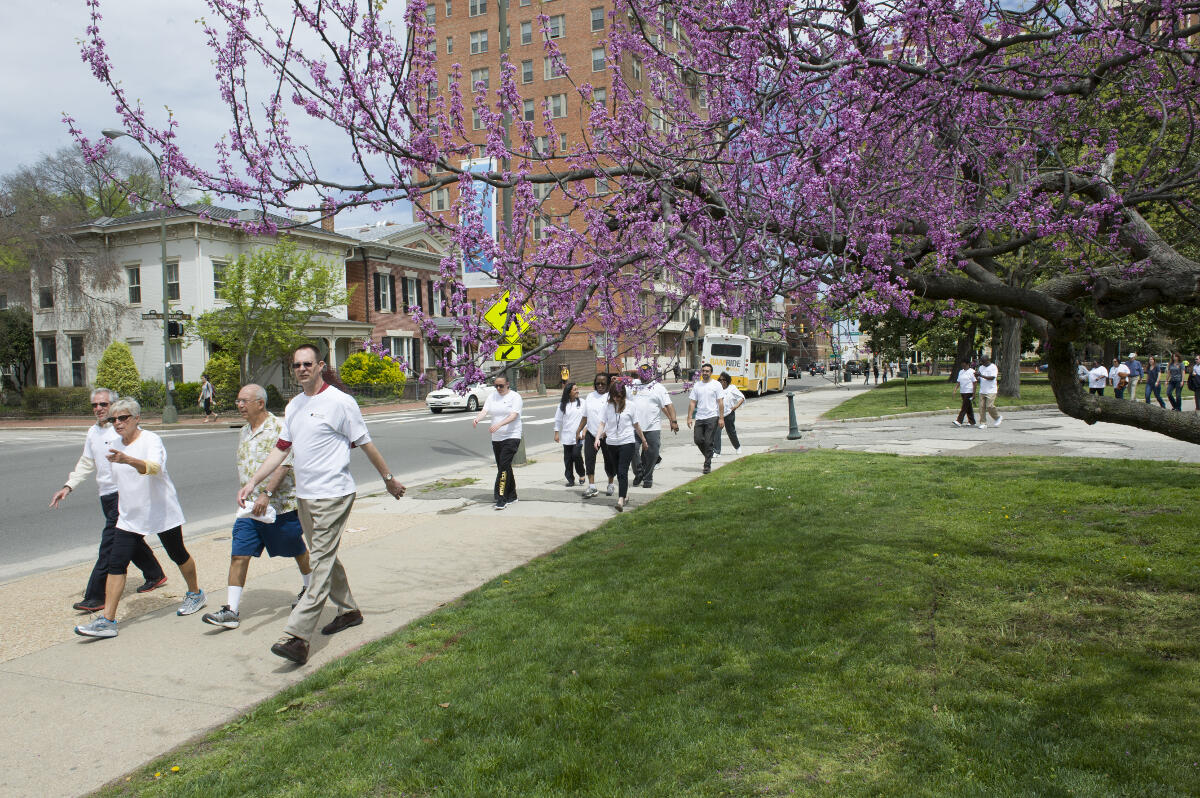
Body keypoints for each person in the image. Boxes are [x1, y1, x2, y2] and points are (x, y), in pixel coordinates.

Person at [237, 344, 406, 665]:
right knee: (325, 557)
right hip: (306, 497)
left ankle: (298, 637)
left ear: (320, 366)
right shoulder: (294, 406)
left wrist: (389, 479)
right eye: (296, 365)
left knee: (320, 564)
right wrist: (253, 482)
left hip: (335, 495)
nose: (302, 369)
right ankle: (349, 610)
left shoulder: (341, 403)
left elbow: (366, 444)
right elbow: (282, 449)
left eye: (308, 364)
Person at [73, 398, 206, 639]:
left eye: (123, 418)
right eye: (113, 419)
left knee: (178, 554)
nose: (117, 423)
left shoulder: (151, 440)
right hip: (129, 515)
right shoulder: (112, 443)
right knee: (116, 563)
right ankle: (108, 621)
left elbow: (155, 468)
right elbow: (109, 477)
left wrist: (129, 460)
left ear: (136, 418)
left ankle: (195, 593)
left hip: (160, 510)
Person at [201, 384, 312, 630]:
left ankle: (310, 586)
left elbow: (286, 463)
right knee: (239, 553)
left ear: (260, 403)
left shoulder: (280, 427)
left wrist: (266, 492)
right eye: (238, 400)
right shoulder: (244, 431)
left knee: (295, 548)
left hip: (279, 506)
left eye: (244, 401)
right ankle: (231, 610)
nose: (239, 405)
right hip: (250, 509)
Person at [50, 388, 167, 612]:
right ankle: (155, 574)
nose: (99, 409)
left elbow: (145, 458)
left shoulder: (122, 431)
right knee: (127, 539)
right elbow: (86, 462)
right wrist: (68, 486)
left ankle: (96, 596)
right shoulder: (93, 432)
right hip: (106, 495)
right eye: (95, 405)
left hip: (123, 494)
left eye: (103, 404)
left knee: (110, 545)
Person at [594, 380, 647, 512]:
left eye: (619, 396)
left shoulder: (630, 406)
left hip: (627, 442)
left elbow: (636, 425)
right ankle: (625, 494)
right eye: (614, 396)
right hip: (611, 443)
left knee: (622, 471)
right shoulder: (607, 407)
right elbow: (602, 423)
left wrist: (643, 440)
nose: (616, 398)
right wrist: (597, 438)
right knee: (618, 471)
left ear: (623, 394)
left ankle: (620, 500)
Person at [475, 375, 523, 509]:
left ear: (507, 384)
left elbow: (513, 416)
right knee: (504, 466)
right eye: (496, 385)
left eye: (501, 385)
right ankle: (512, 495)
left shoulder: (515, 397)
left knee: (503, 465)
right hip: (496, 438)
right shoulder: (492, 396)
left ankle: (501, 498)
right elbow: (485, 410)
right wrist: (477, 418)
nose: (498, 388)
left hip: (512, 436)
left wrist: (500, 424)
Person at [630, 366, 678, 489]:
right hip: (634, 427)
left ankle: (648, 477)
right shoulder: (633, 385)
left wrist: (673, 421)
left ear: (651, 374)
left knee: (652, 453)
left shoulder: (658, 388)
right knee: (632, 450)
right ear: (639, 374)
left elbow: (669, 405)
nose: (644, 375)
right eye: (642, 373)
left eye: (647, 373)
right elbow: (618, 388)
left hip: (652, 427)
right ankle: (639, 472)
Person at [577, 373, 616, 498]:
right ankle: (592, 487)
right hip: (591, 434)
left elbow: (615, 417)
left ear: (608, 384)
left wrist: (607, 431)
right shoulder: (590, 396)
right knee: (589, 459)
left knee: (609, 460)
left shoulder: (612, 397)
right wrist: (578, 430)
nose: (600, 386)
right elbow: (585, 416)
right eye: (597, 383)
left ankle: (610, 483)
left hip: (607, 435)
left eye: (603, 383)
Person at [686, 363, 725, 474]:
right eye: (703, 371)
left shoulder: (716, 385)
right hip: (700, 417)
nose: (705, 373)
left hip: (712, 417)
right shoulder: (697, 385)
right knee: (698, 440)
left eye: (707, 371)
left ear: (711, 373)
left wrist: (721, 418)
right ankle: (709, 454)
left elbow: (720, 402)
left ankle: (707, 465)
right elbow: (693, 402)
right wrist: (689, 417)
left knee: (708, 441)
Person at [553, 382, 586, 487]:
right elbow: (558, 420)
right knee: (568, 459)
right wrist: (556, 433)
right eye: (574, 390)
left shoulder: (582, 402)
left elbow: (587, 418)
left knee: (576, 455)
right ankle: (570, 479)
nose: (577, 391)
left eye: (577, 389)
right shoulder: (562, 405)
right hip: (567, 435)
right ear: (568, 392)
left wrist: (584, 431)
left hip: (578, 435)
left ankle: (581, 473)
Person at [713, 372, 745, 455]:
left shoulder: (732, 388)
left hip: (729, 414)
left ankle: (737, 447)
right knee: (717, 432)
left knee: (731, 432)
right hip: (719, 414)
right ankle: (716, 451)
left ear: (727, 381)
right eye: (720, 380)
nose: (722, 382)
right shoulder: (717, 389)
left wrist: (735, 407)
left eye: (724, 380)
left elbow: (741, 398)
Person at [974, 355, 1003, 428]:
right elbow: (979, 378)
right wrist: (976, 376)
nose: (982, 363)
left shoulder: (993, 367)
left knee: (989, 406)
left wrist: (981, 375)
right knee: (981, 407)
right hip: (982, 390)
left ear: (987, 361)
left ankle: (997, 417)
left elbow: (992, 378)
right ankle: (983, 423)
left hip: (991, 390)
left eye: (983, 362)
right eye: (981, 362)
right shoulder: (981, 367)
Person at [952, 360, 976, 427]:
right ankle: (972, 421)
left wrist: (974, 393)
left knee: (964, 406)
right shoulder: (961, 372)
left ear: (968, 364)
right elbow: (959, 382)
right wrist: (955, 390)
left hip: (969, 391)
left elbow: (975, 383)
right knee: (968, 407)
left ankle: (959, 421)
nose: (963, 366)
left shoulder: (972, 372)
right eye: (962, 365)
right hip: (963, 391)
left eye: (964, 365)